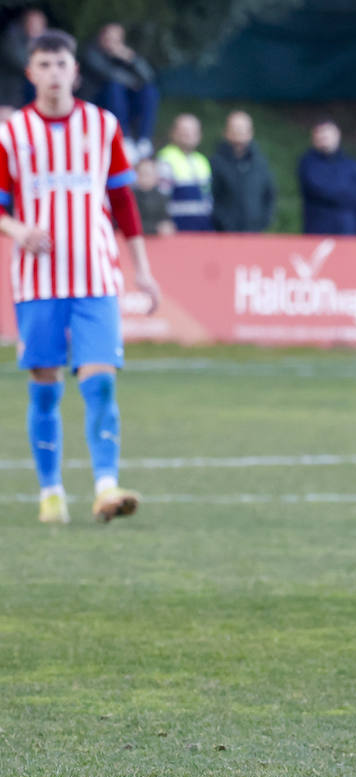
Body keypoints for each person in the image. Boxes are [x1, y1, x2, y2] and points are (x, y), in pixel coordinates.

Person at [1, 29, 160, 524]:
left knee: (100, 383)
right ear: (31, 73)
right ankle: (51, 491)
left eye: (61, 64)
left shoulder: (101, 125)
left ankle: (106, 488)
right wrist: (17, 227)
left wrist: (144, 272)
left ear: (76, 71)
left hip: (95, 276)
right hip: (38, 281)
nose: (53, 74)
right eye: (43, 65)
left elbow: (123, 201)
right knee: (45, 388)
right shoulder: (11, 134)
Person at [79, 22, 158, 160]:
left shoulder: (125, 56)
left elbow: (149, 77)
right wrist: (133, 82)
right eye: (109, 38)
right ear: (101, 38)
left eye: (117, 39)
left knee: (149, 91)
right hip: (98, 101)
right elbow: (109, 74)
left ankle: (144, 140)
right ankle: (124, 137)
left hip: (125, 102)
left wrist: (133, 60)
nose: (112, 43)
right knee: (114, 87)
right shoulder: (91, 53)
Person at [210, 110, 275, 232]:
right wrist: (223, 222)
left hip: (254, 231)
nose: (239, 132)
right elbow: (211, 197)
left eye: (243, 128)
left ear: (251, 132)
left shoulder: (259, 163)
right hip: (224, 233)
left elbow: (269, 194)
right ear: (226, 132)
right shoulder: (216, 162)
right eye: (235, 128)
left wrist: (264, 221)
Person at [298, 119, 356, 236]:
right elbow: (318, 189)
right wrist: (345, 193)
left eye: (327, 134)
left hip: (347, 231)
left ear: (337, 135)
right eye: (320, 134)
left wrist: (339, 192)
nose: (324, 137)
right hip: (318, 231)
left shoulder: (350, 163)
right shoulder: (308, 163)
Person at [156, 113, 212, 231]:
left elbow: (207, 196)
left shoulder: (202, 160)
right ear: (173, 133)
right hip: (177, 228)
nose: (188, 134)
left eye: (192, 131)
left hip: (202, 227)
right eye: (183, 130)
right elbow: (161, 197)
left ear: (199, 135)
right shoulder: (165, 159)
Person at [0, 8, 45, 105]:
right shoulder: (11, 39)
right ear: (25, 23)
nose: (36, 27)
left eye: (39, 24)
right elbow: (24, 63)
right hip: (11, 95)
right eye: (33, 23)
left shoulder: (45, 41)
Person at [132, 157, 173, 236]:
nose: (145, 178)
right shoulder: (129, 198)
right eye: (142, 174)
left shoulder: (162, 198)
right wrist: (155, 229)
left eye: (148, 174)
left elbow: (166, 220)